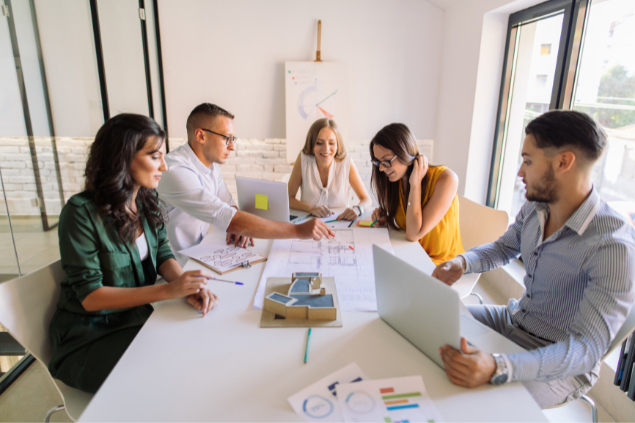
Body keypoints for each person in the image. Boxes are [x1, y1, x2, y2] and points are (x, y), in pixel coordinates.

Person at [432, 110, 635, 408]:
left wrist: (500, 366)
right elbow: (504, 248)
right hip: (513, 321)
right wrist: (462, 263)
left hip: (560, 360)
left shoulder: (614, 247)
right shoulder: (536, 207)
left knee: (474, 403)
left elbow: (585, 349)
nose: (519, 172)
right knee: (429, 322)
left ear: (564, 162)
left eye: (527, 161)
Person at [48, 114, 219, 393]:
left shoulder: (147, 201)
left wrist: (186, 284)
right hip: (88, 338)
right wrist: (168, 291)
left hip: (135, 320)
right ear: (122, 158)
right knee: (176, 376)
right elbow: (91, 298)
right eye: (154, 156)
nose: (164, 165)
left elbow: (163, 254)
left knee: (200, 348)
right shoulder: (80, 213)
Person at [157, 103, 332, 263]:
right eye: (227, 138)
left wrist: (237, 225)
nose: (232, 146)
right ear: (201, 135)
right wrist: (298, 231)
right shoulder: (175, 171)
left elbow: (229, 206)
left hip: (205, 253)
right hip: (178, 266)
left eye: (233, 139)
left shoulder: (211, 166)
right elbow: (227, 217)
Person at [369, 123, 464, 265]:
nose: (382, 168)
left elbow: (413, 234)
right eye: (378, 162)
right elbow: (406, 223)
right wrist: (386, 216)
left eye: (387, 161)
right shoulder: (395, 181)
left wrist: (415, 184)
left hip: (442, 266)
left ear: (404, 151)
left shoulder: (447, 179)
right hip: (410, 256)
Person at [287, 118, 372, 220]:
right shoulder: (303, 159)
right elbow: (288, 198)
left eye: (331, 143)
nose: (326, 149)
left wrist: (357, 209)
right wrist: (311, 209)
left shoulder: (346, 162)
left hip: (340, 223)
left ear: (337, 144)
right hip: (309, 224)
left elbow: (366, 199)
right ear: (311, 143)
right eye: (319, 142)